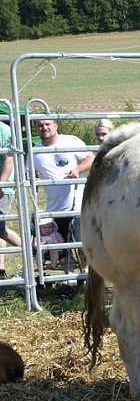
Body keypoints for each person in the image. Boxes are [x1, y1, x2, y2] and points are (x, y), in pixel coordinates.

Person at [31, 119, 95, 271]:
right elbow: (30, 174)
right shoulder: (35, 151)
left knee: (82, 242)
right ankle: (68, 277)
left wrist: (78, 170)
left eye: (47, 124)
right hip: (55, 207)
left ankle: (85, 274)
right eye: (40, 125)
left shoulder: (71, 141)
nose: (44, 128)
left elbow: (90, 159)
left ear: (55, 125)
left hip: (77, 203)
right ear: (36, 129)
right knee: (61, 246)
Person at [0, 119, 23, 280]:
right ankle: (0, 268)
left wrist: (2, 182)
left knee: (0, 228)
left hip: (3, 187)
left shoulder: (2, 129)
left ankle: (33, 252)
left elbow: (9, 158)